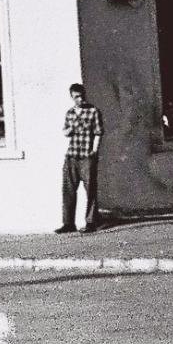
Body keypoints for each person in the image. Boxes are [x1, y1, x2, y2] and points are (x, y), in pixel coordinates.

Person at [56, 83, 103, 234]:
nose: (80, 99)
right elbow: (65, 132)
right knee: (68, 190)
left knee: (90, 190)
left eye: (82, 96)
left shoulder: (93, 111)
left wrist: (94, 151)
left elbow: (98, 132)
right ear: (72, 97)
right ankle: (68, 223)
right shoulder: (70, 113)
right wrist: (72, 127)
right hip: (72, 156)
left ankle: (91, 222)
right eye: (76, 97)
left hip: (87, 156)